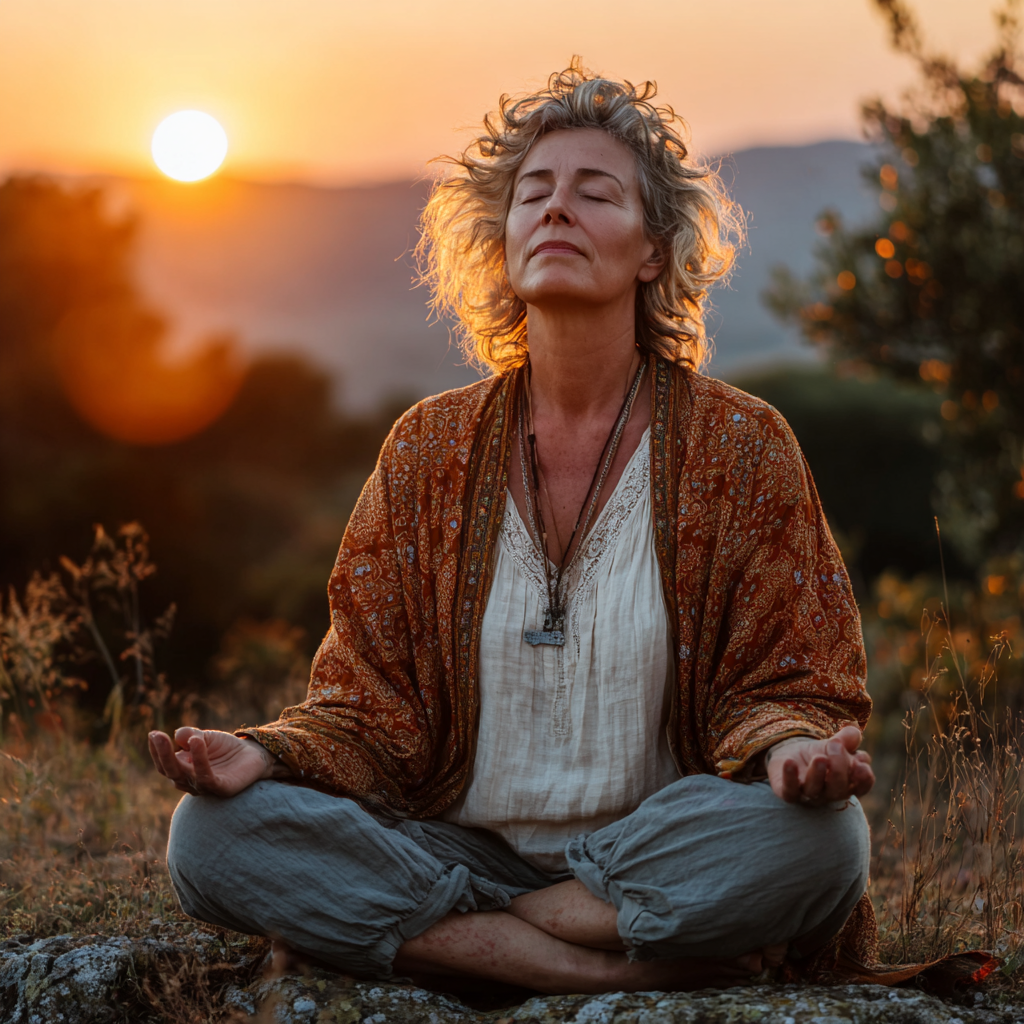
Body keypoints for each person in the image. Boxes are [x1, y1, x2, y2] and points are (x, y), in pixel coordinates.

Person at [149, 62, 876, 995]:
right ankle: (617, 975)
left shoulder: (742, 445)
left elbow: (788, 679)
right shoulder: (430, 449)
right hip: (455, 847)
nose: (556, 209)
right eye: (534, 193)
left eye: (594, 192)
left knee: (823, 843)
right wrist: (269, 753)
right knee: (210, 837)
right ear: (503, 240)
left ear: (655, 251)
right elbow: (369, 703)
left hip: (654, 850)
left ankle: (465, 941)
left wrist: (793, 752)